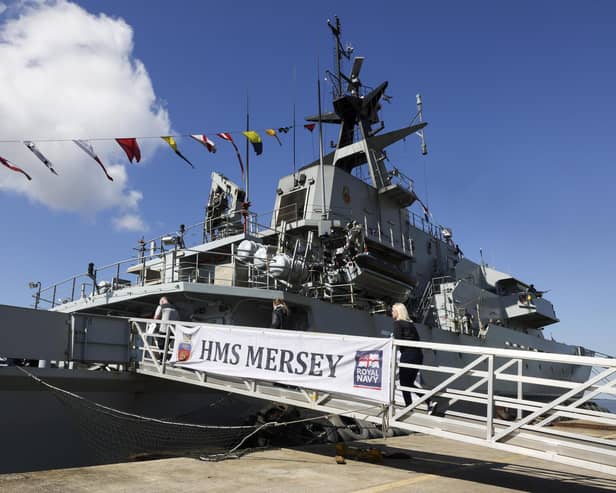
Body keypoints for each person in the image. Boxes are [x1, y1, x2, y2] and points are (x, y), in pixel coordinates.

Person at [392, 303, 424, 407]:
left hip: (408, 355)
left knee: (404, 383)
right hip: (418, 356)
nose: (391, 312)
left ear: (398, 312)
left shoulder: (398, 323)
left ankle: (409, 406)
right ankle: (428, 401)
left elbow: (398, 341)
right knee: (408, 383)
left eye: (393, 310)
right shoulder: (411, 324)